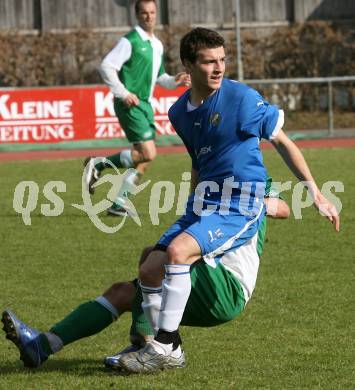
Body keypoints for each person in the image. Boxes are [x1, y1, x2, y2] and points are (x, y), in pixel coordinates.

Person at [112, 27, 339, 374]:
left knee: (177, 253)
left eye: (222, 60)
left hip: (241, 202)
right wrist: (193, 202)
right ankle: (158, 346)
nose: (218, 68)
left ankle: (165, 345)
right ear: (188, 65)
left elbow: (282, 142)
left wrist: (316, 193)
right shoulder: (179, 113)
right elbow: (199, 161)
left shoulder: (242, 98)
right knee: (149, 267)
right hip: (206, 203)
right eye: (209, 62)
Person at [1, 181, 289, 370]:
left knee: (156, 262)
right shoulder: (214, 173)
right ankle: (41, 346)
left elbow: (283, 208)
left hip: (227, 285)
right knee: (125, 288)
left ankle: (154, 348)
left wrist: (261, 204)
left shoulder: (253, 176)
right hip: (205, 274)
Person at [85, 0, 190, 216]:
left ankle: (119, 203)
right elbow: (106, 66)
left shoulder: (156, 44)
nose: (149, 16)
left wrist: (175, 81)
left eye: (152, 12)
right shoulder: (130, 40)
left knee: (146, 157)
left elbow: (159, 77)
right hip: (129, 104)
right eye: (144, 13)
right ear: (137, 15)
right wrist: (123, 93)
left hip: (145, 104)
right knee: (147, 152)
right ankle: (96, 165)